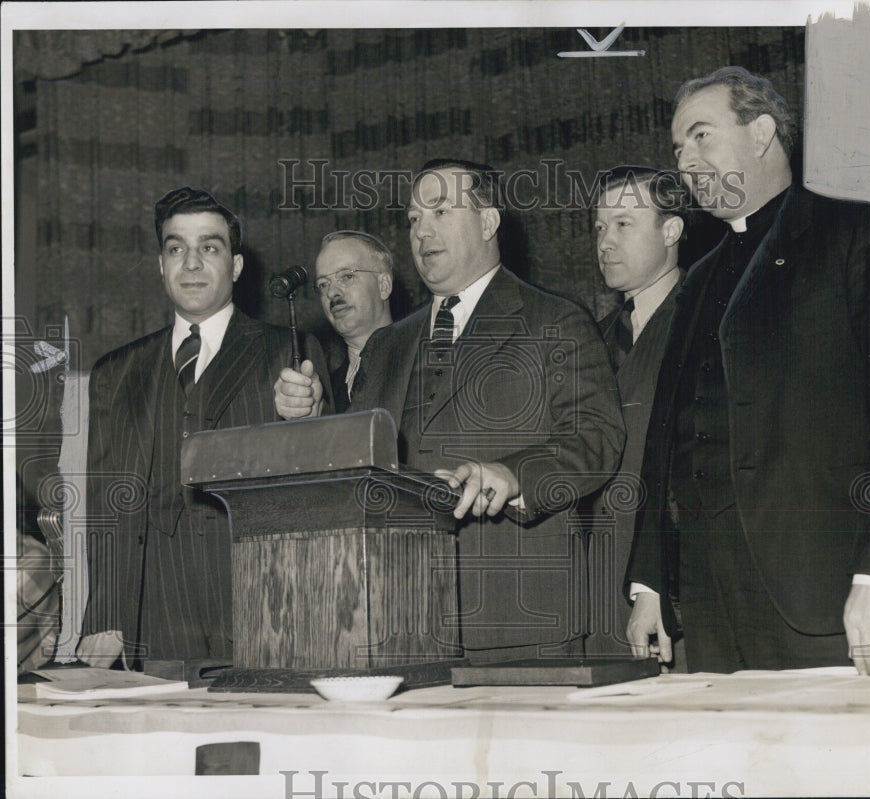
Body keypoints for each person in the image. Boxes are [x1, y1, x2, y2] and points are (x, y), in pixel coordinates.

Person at [626, 67, 870, 675]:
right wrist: (648, 581)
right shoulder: (694, 282)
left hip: (831, 593)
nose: (686, 161)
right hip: (709, 604)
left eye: (701, 136)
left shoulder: (854, 233)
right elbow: (663, 439)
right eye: (677, 148)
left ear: (762, 133)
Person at [276, 158, 626, 663]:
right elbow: (357, 465)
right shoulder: (387, 344)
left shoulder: (556, 320)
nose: (422, 232)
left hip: (516, 619)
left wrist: (516, 475)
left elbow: (597, 438)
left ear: (488, 222)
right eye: (415, 219)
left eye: (441, 211)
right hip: (400, 619)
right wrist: (308, 424)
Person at [78, 187, 329, 669]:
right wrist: (105, 616)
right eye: (176, 249)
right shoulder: (116, 372)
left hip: (263, 609)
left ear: (235, 266)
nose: (191, 263)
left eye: (209, 248)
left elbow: (323, 486)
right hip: (152, 618)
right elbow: (107, 504)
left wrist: (312, 418)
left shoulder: (289, 351)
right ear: (160, 264)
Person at [584, 165, 689, 660]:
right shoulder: (590, 340)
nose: (605, 241)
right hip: (600, 593)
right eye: (600, 227)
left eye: (624, 224)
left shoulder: (706, 320)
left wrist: (659, 587)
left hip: (677, 595)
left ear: (671, 230)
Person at [315, 230, 394, 412]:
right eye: (323, 284)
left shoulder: (422, 361)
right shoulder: (325, 397)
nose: (332, 292)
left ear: (384, 286)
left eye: (346, 276)